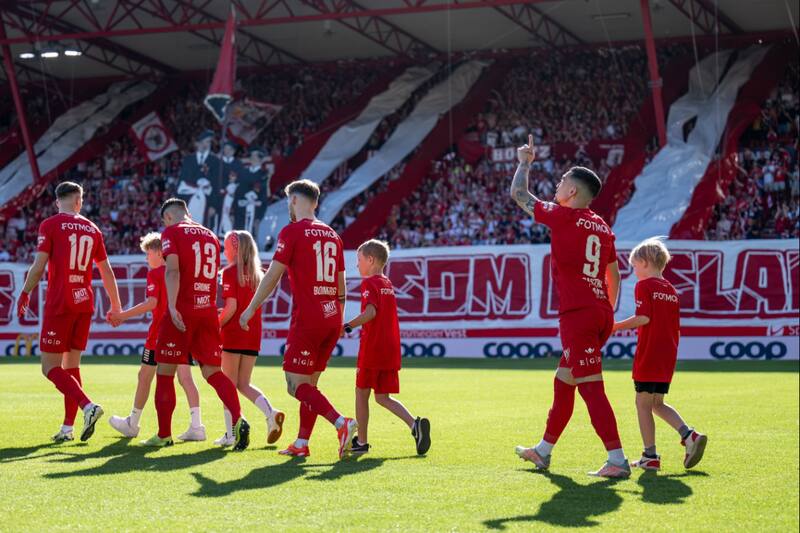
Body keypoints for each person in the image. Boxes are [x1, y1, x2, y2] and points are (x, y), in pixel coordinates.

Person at [511, 135, 630, 478]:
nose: (558, 186)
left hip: (579, 315)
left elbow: (519, 195)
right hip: (598, 312)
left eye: (562, 182)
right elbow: (613, 273)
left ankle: (618, 460)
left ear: (573, 193)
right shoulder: (603, 227)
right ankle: (543, 451)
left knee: (591, 388)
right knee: (564, 383)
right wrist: (605, 308)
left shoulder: (564, 216)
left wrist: (524, 163)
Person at [239, 179, 357, 459]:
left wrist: (251, 308)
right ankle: (302, 443)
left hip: (309, 318)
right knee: (310, 386)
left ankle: (342, 423)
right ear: (315, 203)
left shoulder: (292, 232)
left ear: (293, 200)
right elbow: (342, 286)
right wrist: (338, 319)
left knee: (296, 386)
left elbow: (272, 276)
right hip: (331, 317)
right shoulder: (333, 235)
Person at [16, 181, 122, 443]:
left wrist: (26, 291)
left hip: (60, 302)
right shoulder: (93, 228)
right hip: (84, 302)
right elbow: (106, 271)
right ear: (79, 201)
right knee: (71, 366)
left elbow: (39, 266)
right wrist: (116, 304)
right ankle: (67, 428)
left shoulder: (50, 225)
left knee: (49, 367)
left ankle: (88, 406)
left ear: (57, 201)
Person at [142, 198, 249, 450]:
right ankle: (238, 419)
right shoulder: (211, 235)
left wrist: (170, 306)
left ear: (168, 217)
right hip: (207, 311)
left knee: (165, 372)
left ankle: (164, 434)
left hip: (182, 310)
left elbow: (173, 271)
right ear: (187, 212)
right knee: (213, 373)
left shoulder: (171, 232)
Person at [612, 238, 707, 470]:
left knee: (642, 403)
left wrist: (612, 327)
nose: (633, 270)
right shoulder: (671, 290)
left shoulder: (644, 286)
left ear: (645, 263)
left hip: (650, 351)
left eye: (634, 265)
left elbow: (643, 318)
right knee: (656, 403)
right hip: (667, 354)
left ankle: (650, 456)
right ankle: (688, 435)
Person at [106, 232, 206, 441]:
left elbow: (151, 303)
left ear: (159, 252)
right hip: (182, 330)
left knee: (145, 376)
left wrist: (122, 315)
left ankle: (133, 422)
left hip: (160, 335)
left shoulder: (156, 273)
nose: (146, 258)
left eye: (148, 253)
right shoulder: (178, 271)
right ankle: (197, 425)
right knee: (186, 379)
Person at [343, 239, 431, 455]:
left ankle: (361, 442)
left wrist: (347, 326)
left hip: (373, 348)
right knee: (382, 396)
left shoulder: (370, 283)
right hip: (390, 348)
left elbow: (370, 313)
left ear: (370, 260)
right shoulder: (387, 284)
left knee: (361, 393)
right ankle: (414, 425)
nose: (357, 265)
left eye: (359, 260)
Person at [215, 230, 284, 447]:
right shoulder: (258, 274)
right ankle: (271, 413)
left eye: (226, 247)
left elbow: (232, 307)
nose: (224, 251)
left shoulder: (229, 273)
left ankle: (231, 433)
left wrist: (215, 325)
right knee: (244, 383)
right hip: (253, 335)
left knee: (227, 385)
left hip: (234, 334)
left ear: (235, 249)